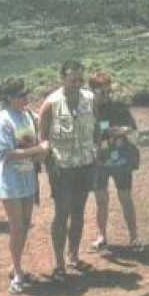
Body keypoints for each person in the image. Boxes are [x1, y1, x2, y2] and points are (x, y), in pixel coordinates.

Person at [39, 61, 98, 277]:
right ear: (62, 78)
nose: (76, 84)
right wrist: (49, 166)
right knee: (61, 214)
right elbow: (43, 138)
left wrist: (97, 149)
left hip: (84, 164)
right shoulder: (51, 104)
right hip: (62, 168)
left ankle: (73, 255)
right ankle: (59, 262)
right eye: (72, 80)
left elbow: (97, 126)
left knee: (79, 212)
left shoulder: (90, 100)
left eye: (80, 80)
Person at [0, 76, 47, 294]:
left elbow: (42, 127)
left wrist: (44, 146)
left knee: (24, 225)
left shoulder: (28, 115)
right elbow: (6, 152)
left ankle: (15, 266)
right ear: (10, 98)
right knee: (17, 227)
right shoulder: (3, 120)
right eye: (21, 95)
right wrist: (37, 151)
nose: (25, 97)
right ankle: (16, 273)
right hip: (10, 181)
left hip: (27, 178)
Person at [89, 69, 141, 252]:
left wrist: (120, 131)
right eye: (101, 91)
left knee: (125, 196)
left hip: (119, 157)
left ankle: (134, 237)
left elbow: (131, 127)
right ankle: (102, 236)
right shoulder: (88, 109)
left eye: (107, 90)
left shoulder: (117, 106)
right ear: (93, 90)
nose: (105, 94)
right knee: (101, 199)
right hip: (98, 159)